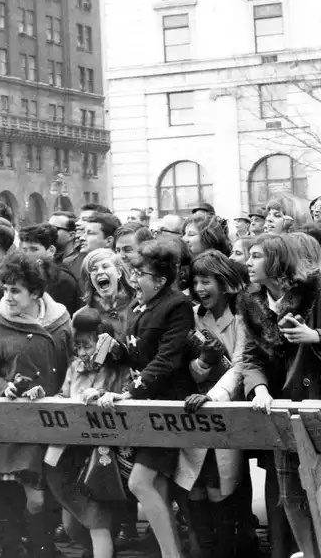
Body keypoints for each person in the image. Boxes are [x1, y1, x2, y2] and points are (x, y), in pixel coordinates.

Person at [235, 234, 321, 555]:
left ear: (276, 263)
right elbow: (250, 358)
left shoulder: (319, 292)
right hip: (281, 411)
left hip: (320, 407)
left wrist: (313, 335)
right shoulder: (252, 303)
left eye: (256, 256)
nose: (248, 262)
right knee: (290, 499)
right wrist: (258, 388)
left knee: (319, 494)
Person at [95, 239, 195, 558]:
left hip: (165, 408)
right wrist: (115, 350)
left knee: (140, 483)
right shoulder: (144, 306)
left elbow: (167, 359)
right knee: (156, 487)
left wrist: (130, 393)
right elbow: (137, 351)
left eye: (141, 273)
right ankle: (170, 551)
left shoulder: (176, 306)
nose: (134, 278)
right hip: (146, 407)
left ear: (161, 280)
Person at [0, 253, 74, 558]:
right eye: (5, 289)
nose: (7, 297)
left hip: (57, 422)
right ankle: (38, 549)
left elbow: (74, 365)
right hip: (18, 425)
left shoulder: (61, 322)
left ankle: (43, 547)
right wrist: (6, 388)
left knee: (56, 494)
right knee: (32, 499)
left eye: (15, 290)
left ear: (36, 293)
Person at [175, 250, 250, 558]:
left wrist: (214, 395)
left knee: (224, 486)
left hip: (226, 409)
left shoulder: (243, 317)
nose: (200, 288)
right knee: (195, 485)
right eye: (196, 281)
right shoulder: (194, 316)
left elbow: (242, 365)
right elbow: (190, 366)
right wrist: (203, 363)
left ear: (223, 282)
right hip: (195, 410)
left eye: (206, 281)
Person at [44, 308, 133, 558]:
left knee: (98, 522)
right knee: (72, 524)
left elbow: (129, 396)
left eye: (88, 345)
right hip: (69, 455)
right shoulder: (74, 368)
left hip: (101, 458)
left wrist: (107, 396)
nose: (82, 352)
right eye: (78, 346)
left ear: (104, 342)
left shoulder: (118, 370)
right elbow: (63, 396)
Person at [21, 223, 82, 317]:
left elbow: (60, 319)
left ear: (51, 250)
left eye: (34, 249)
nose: (27, 254)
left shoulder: (61, 280)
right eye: (24, 250)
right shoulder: (25, 274)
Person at [77, 248, 136, 343]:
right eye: (94, 269)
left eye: (105, 266)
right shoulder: (81, 316)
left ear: (119, 272)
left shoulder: (138, 306)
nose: (100, 272)